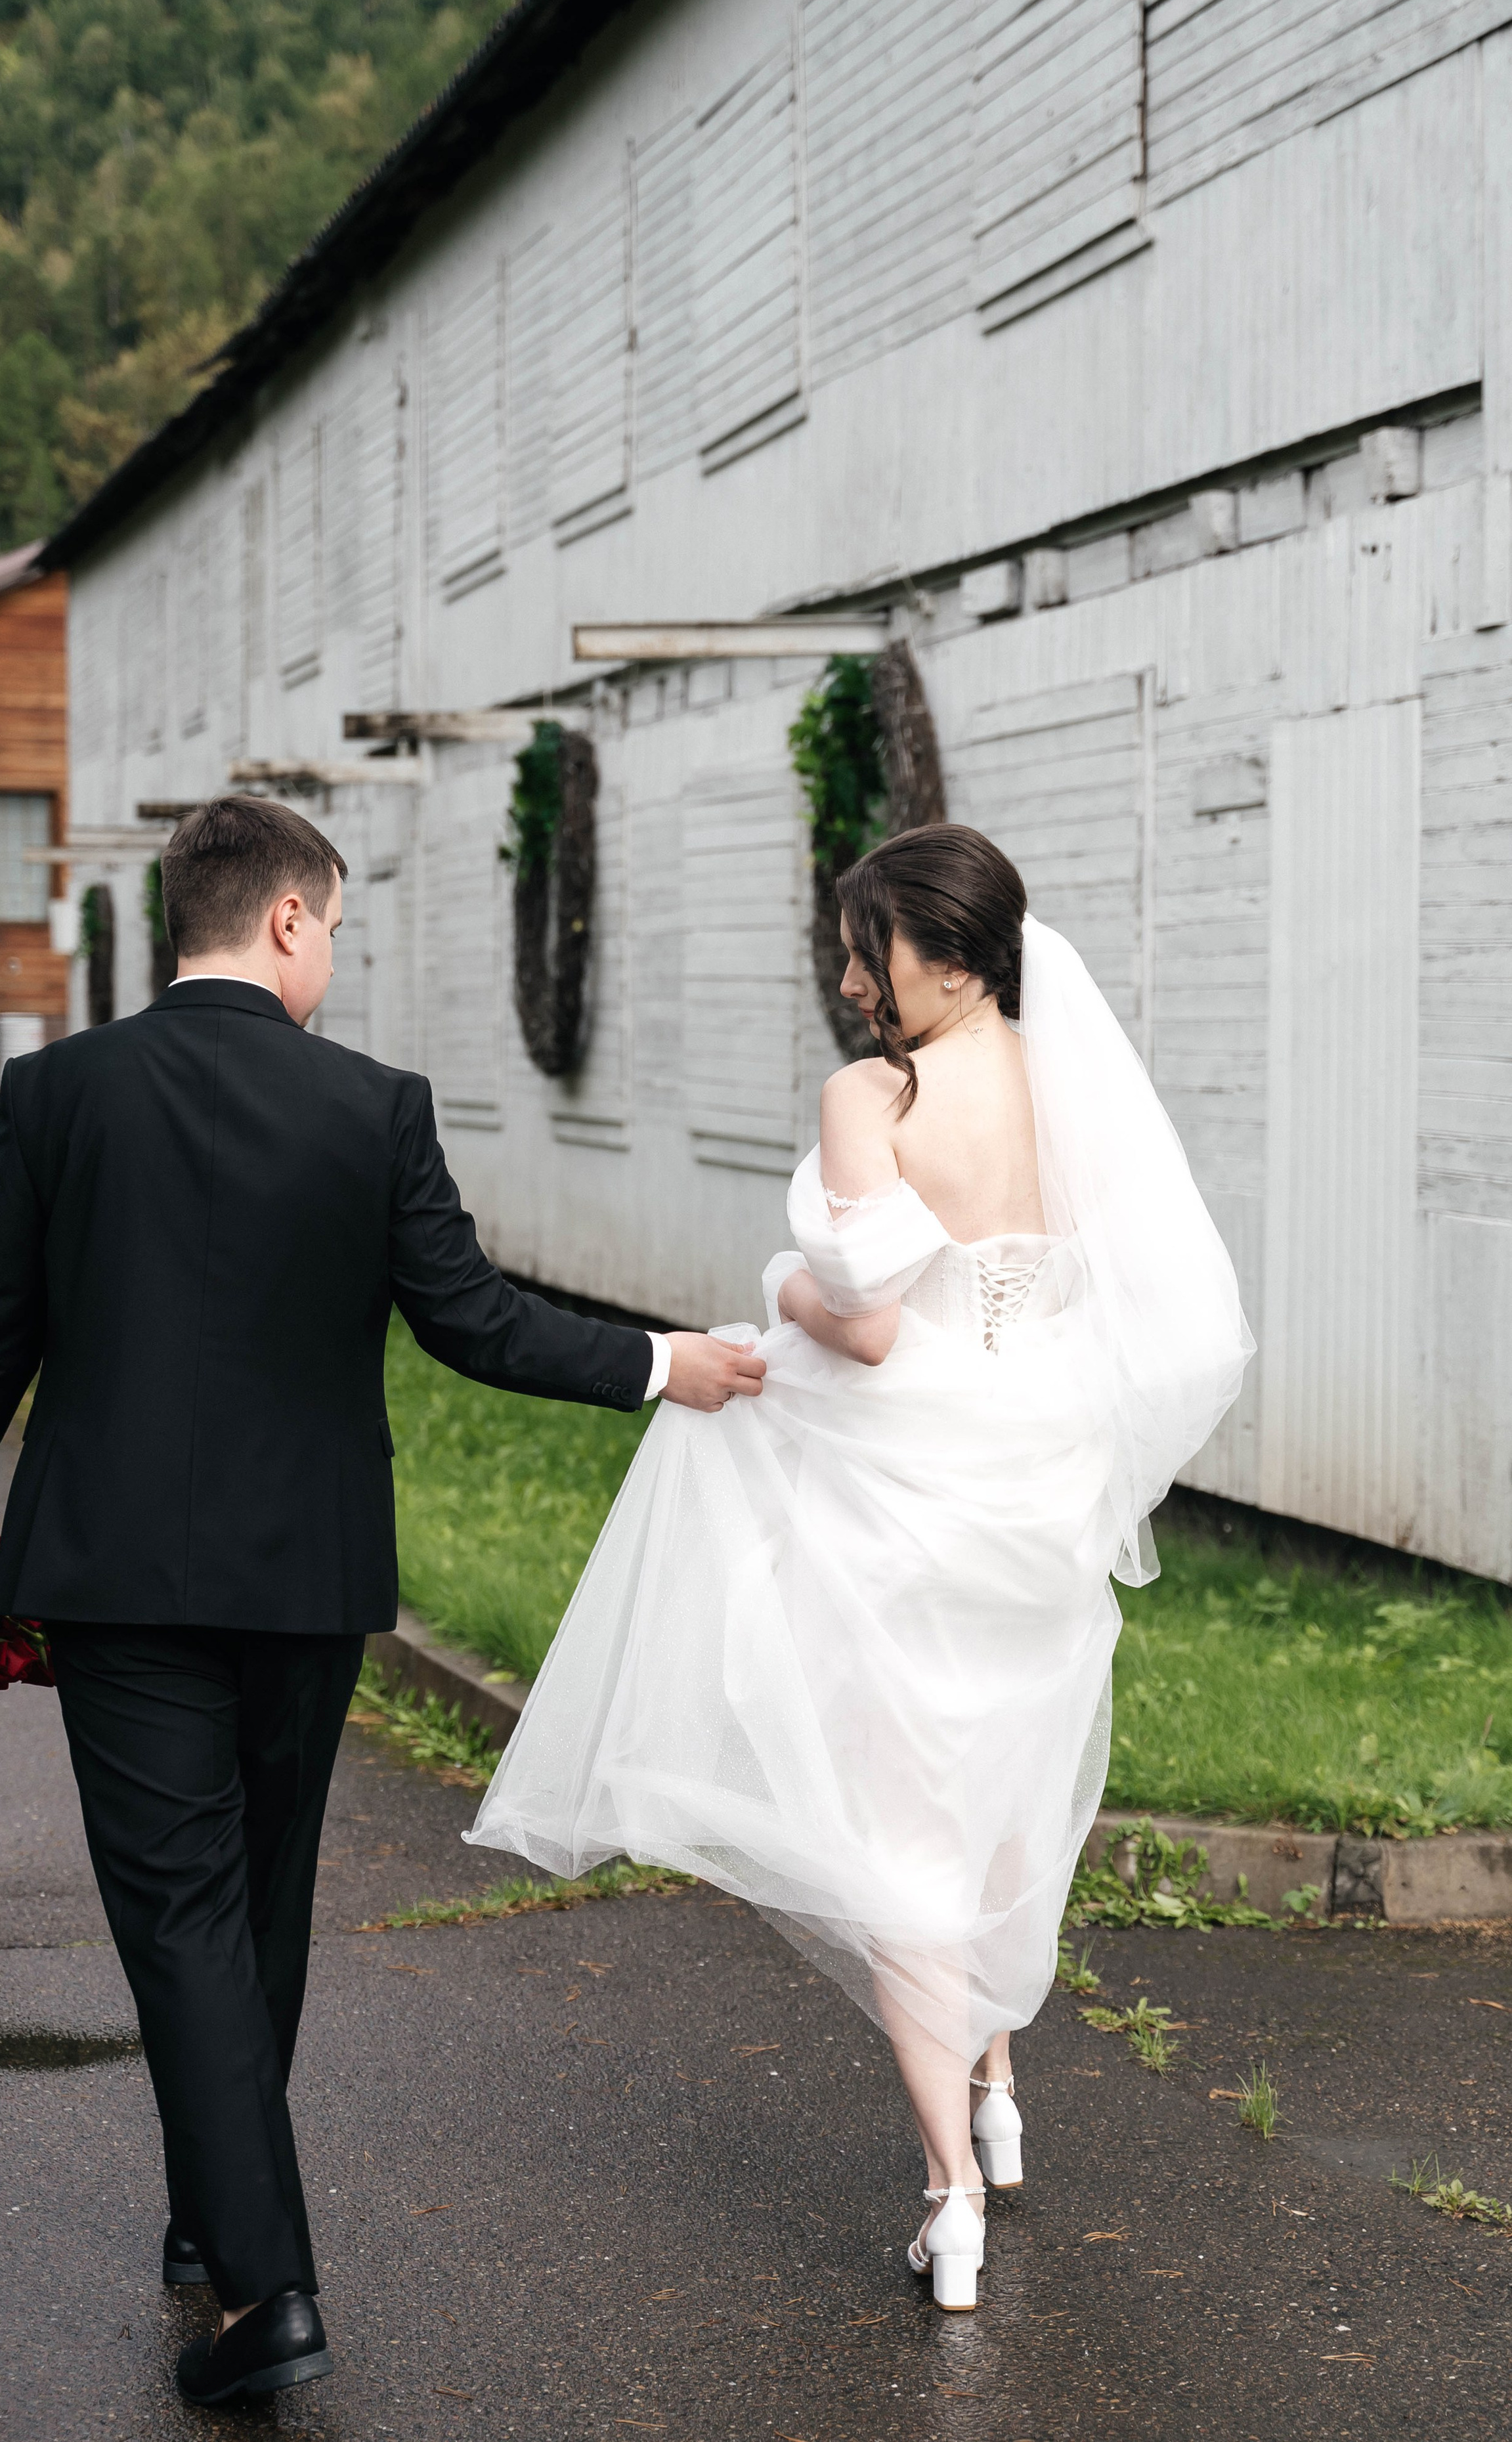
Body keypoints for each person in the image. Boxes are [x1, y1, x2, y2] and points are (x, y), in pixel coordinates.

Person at [0, 795, 764, 2405]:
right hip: (308, 1583)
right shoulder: (373, 1108)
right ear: (287, 918)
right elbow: (476, 1321)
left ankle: (265, 2290)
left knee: (181, 1916)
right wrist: (661, 1366)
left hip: (124, 1582)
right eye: (339, 927)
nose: (335, 955)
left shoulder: (61, 1092)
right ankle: (217, 2219)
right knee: (259, 1907)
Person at [465, 821, 1252, 2313]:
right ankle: (1000, 2096)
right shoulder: (1072, 1082)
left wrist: (772, 1286)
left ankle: (949, 2190)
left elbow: (870, 1324)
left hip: (902, 1498)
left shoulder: (870, 1096)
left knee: (900, 1828)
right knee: (1002, 1784)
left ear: (941, 956)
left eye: (862, 947)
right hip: (1039, 1488)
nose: (846, 978)